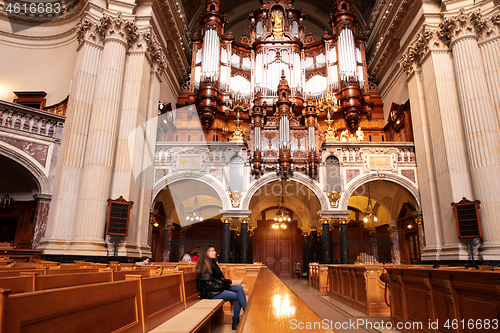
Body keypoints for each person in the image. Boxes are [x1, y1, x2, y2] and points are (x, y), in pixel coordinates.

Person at [196, 245, 247, 330]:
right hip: (211, 293)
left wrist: (225, 282)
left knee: (239, 288)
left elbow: (218, 278)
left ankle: (242, 315)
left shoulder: (212, 263)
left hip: (217, 289)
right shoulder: (204, 266)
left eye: (214, 250)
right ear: (206, 253)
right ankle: (238, 320)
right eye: (212, 251)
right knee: (239, 297)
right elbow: (209, 286)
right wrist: (223, 285)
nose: (215, 252)